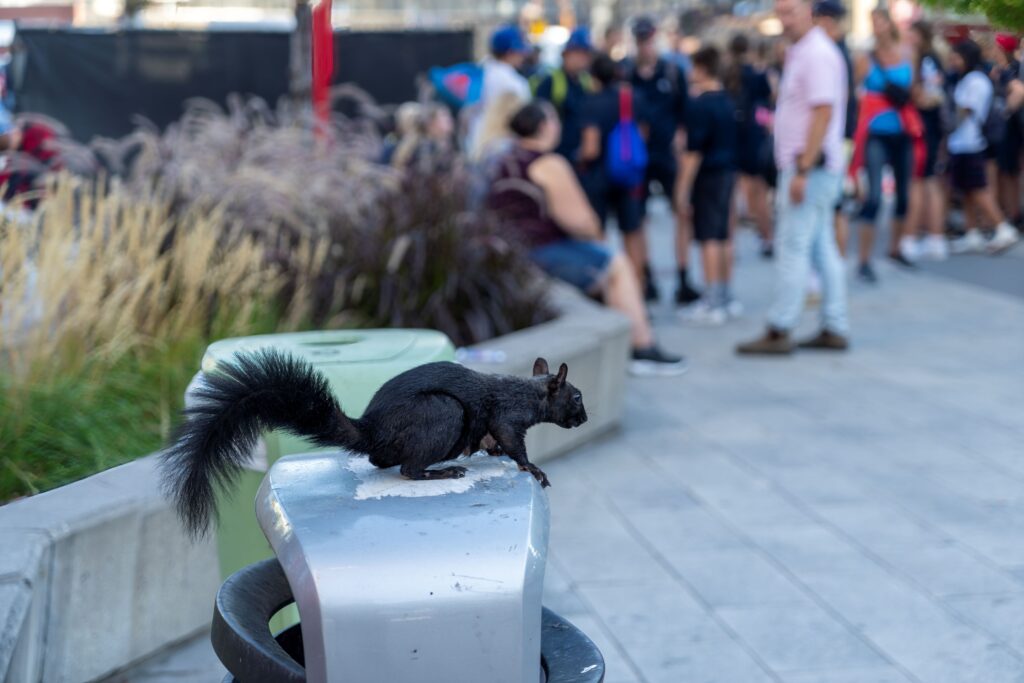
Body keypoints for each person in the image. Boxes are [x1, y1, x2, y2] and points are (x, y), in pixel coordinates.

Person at [486, 102, 687, 376]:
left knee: (601, 263)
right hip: (542, 251)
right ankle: (642, 346)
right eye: (555, 120)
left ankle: (626, 342)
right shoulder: (548, 162)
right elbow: (580, 221)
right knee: (616, 264)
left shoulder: (506, 157)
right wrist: (599, 240)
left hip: (509, 251)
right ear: (544, 126)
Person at [737, 0, 849, 356]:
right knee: (820, 246)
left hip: (808, 167)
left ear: (810, 11)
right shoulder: (806, 50)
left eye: (791, 11)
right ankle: (834, 324)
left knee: (794, 246)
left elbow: (823, 112)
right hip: (810, 166)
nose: (784, 19)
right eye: (780, 11)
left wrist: (803, 168)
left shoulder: (816, 52)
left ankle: (780, 326)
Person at [623, 16, 699, 306]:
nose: (646, 45)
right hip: (639, 158)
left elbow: (685, 113)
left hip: (667, 155)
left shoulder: (672, 70)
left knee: (682, 210)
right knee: (637, 218)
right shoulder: (627, 74)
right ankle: (648, 277)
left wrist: (681, 141)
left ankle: (683, 276)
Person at [849, 8, 919, 282]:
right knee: (875, 196)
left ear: (890, 24)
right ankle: (864, 260)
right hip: (876, 133)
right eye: (873, 23)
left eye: (881, 22)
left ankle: (895, 249)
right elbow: (853, 95)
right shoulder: (865, 60)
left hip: (902, 132)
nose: (877, 27)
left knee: (903, 195)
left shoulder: (907, 53)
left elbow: (911, 94)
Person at [678, 46, 741, 326]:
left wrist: (681, 188)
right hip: (727, 172)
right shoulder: (727, 101)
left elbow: (694, 152)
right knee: (723, 235)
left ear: (702, 68)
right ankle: (725, 295)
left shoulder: (700, 105)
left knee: (708, 237)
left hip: (709, 176)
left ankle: (712, 299)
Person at [946, 39, 1020, 255]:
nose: (954, 61)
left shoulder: (975, 80)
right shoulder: (968, 79)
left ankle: (1002, 227)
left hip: (971, 142)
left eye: (957, 57)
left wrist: (949, 122)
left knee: (978, 189)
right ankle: (972, 233)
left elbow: (966, 110)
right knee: (967, 190)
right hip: (961, 143)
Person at [577, 53, 645, 239]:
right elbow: (642, 133)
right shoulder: (631, 98)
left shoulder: (591, 103)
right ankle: (636, 269)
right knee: (632, 230)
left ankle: (607, 268)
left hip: (599, 175)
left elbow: (591, 148)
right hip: (627, 171)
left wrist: (578, 159)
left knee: (598, 230)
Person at [813, 0, 857, 259]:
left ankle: (834, 267)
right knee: (833, 205)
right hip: (838, 137)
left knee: (833, 206)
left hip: (834, 139)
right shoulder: (837, 50)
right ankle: (834, 267)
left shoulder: (831, 52)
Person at [725, 32, 774, 257]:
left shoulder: (728, 74)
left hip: (732, 135)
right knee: (759, 192)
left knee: (732, 194)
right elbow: (771, 100)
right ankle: (767, 238)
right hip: (754, 136)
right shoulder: (757, 74)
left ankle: (730, 243)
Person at [905, 20, 949, 261]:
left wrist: (913, 95)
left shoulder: (926, 58)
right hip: (928, 126)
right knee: (927, 180)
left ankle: (928, 237)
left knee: (924, 180)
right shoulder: (928, 57)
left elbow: (930, 96)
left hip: (925, 127)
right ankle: (933, 238)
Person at [533, 27, 595, 162]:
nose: (583, 59)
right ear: (565, 54)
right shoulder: (551, 82)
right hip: (556, 155)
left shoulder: (586, 82)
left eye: (586, 55)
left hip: (579, 157)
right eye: (578, 53)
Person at [468, 25, 532, 155]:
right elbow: (525, 121)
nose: (522, 56)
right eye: (519, 51)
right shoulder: (514, 82)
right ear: (509, 52)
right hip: (504, 144)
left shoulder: (481, 71)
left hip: (476, 139)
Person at [988, 33, 1022, 226]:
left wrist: (1004, 112)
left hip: (1009, 128)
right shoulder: (1001, 69)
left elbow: (1018, 93)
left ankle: (1013, 213)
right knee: (1005, 172)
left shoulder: (1011, 70)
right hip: (1007, 127)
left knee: (1009, 172)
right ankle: (1009, 212)